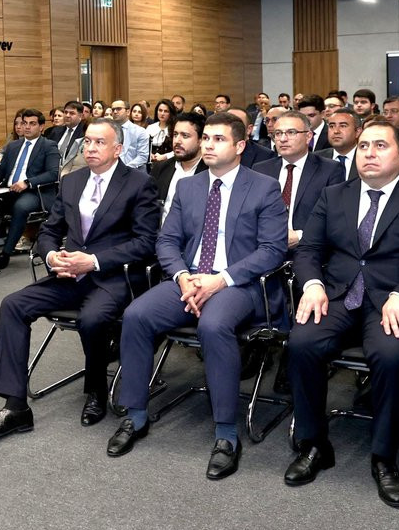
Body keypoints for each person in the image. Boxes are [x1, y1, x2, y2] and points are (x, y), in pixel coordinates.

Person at [284, 121, 399, 508]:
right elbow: (309, 250)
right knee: (301, 343)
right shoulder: (334, 195)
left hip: (394, 301)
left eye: (380, 146)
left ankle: (384, 458)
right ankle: (314, 445)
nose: (369, 153)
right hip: (337, 295)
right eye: (363, 146)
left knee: (391, 356)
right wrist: (312, 284)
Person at [108, 112, 289, 480]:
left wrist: (220, 280)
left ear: (240, 146)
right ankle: (136, 415)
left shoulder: (264, 187)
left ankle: (226, 433)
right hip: (189, 279)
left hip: (239, 284)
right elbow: (167, 241)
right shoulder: (189, 187)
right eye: (205, 138)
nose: (208, 144)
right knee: (137, 315)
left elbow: (272, 250)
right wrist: (183, 276)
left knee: (213, 325)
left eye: (218, 139)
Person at [0, 118, 159, 440]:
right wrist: (51, 257)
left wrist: (94, 261)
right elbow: (49, 231)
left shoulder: (139, 183)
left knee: (92, 318)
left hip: (112, 277)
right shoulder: (72, 181)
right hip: (69, 274)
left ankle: (96, 389)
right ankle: (15, 407)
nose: (90, 148)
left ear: (117, 149)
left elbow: (145, 242)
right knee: (13, 305)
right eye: (87, 141)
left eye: (99, 142)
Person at [0, 109, 60, 271]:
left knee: (21, 207)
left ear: (41, 126)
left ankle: (5, 253)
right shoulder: (13, 146)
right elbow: (1, 172)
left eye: (32, 124)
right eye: (25, 123)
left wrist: (27, 182)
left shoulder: (48, 145)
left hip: (35, 192)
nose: (27, 127)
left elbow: (53, 174)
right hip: (8, 190)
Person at [254, 111, 342, 252]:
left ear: (308, 136)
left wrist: (301, 236)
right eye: (278, 133)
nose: (283, 139)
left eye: (291, 132)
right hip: (264, 248)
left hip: (309, 249)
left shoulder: (329, 169)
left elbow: (334, 218)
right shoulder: (261, 169)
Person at [150, 111, 206, 217]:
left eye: (185, 136)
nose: (177, 141)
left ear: (201, 140)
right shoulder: (160, 169)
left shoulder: (210, 172)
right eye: (175, 135)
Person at [314, 107, 361, 181]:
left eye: (343, 126)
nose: (336, 131)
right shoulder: (315, 159)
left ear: (357, 132)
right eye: (331, 126)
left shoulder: (367, 158)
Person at [109, 100, 149, 169]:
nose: (115, 112)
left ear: (128, 112)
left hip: (134, 170)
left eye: (118, 109)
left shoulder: (140, 131)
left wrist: (125, 168)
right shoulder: (108, 131)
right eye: (113, 110)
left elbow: (143, 156)